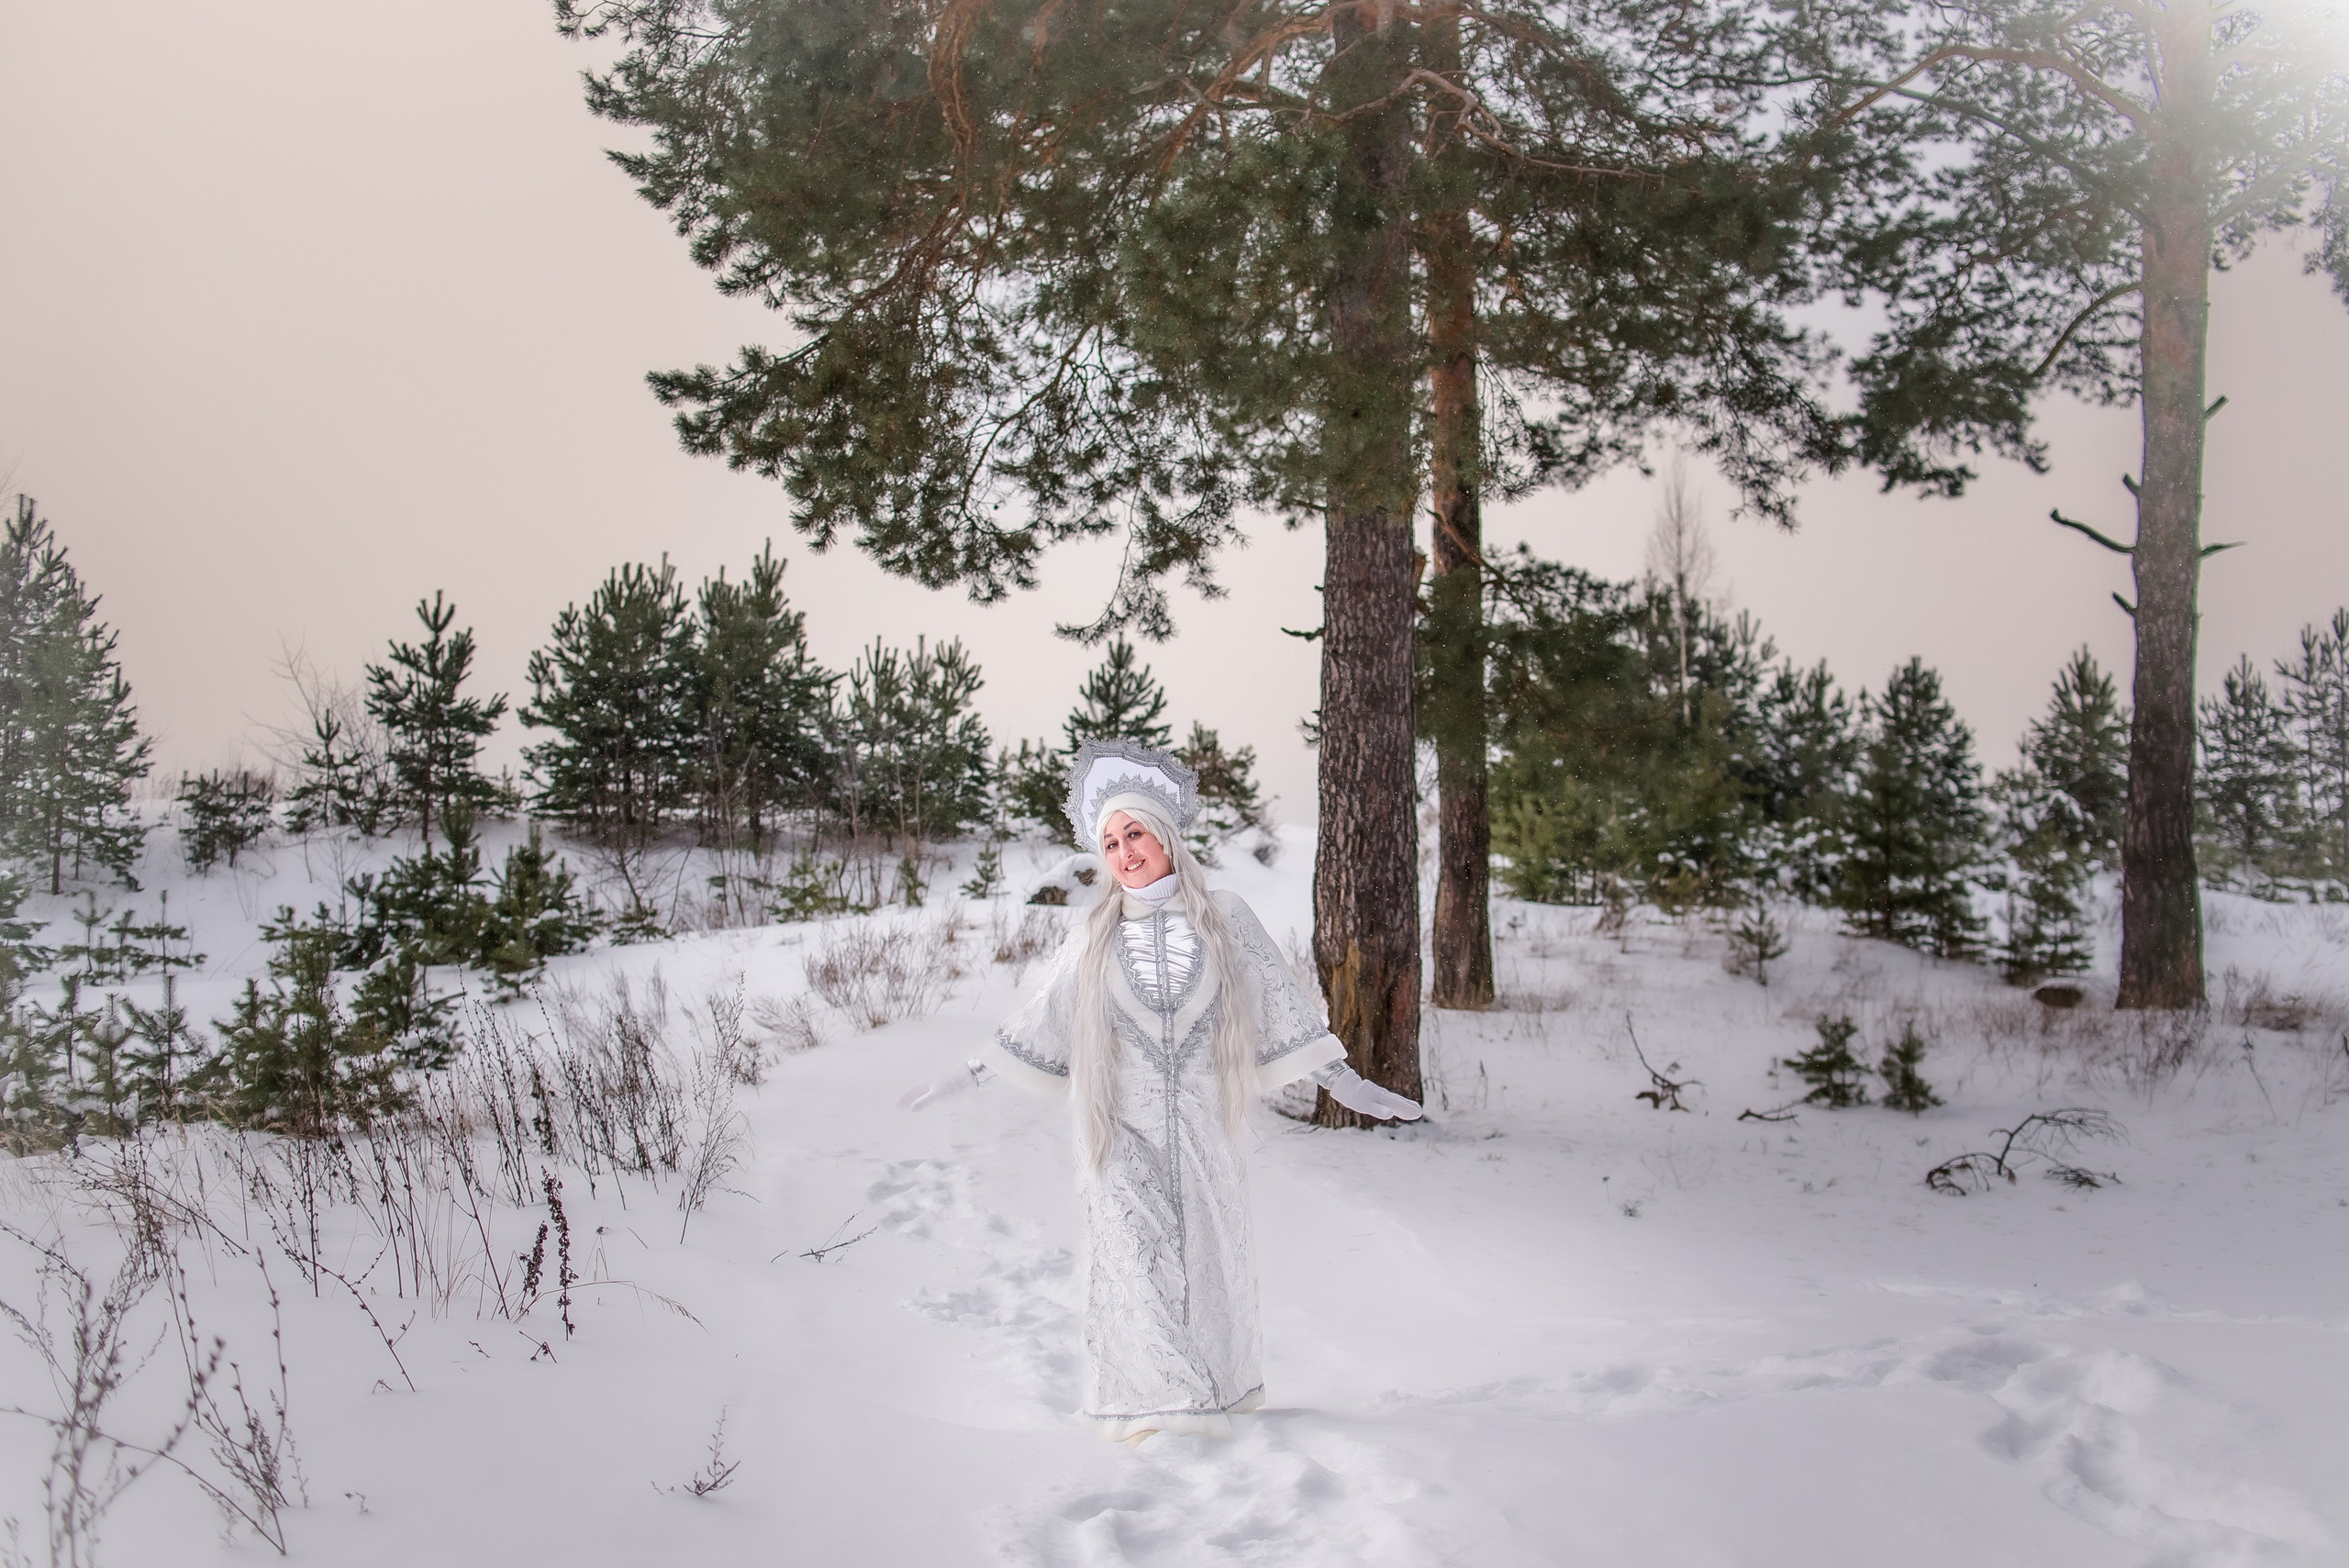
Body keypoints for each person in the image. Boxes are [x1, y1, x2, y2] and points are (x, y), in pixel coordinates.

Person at [897, 739, 1421, 1443]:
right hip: (1119, 1134)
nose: (1124, 851)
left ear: (1166, 835)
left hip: (1206, 1134)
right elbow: (1041, 1017)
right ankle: (1157, 1419)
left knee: (1207, 1268)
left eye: (1134, 833)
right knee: (1136, 1264)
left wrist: (1347, 1082)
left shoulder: (1227, 917)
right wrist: (967, 1072)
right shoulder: (1093, 935)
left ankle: (1209, 1406)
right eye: (1111, 842)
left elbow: (1281, 1004)